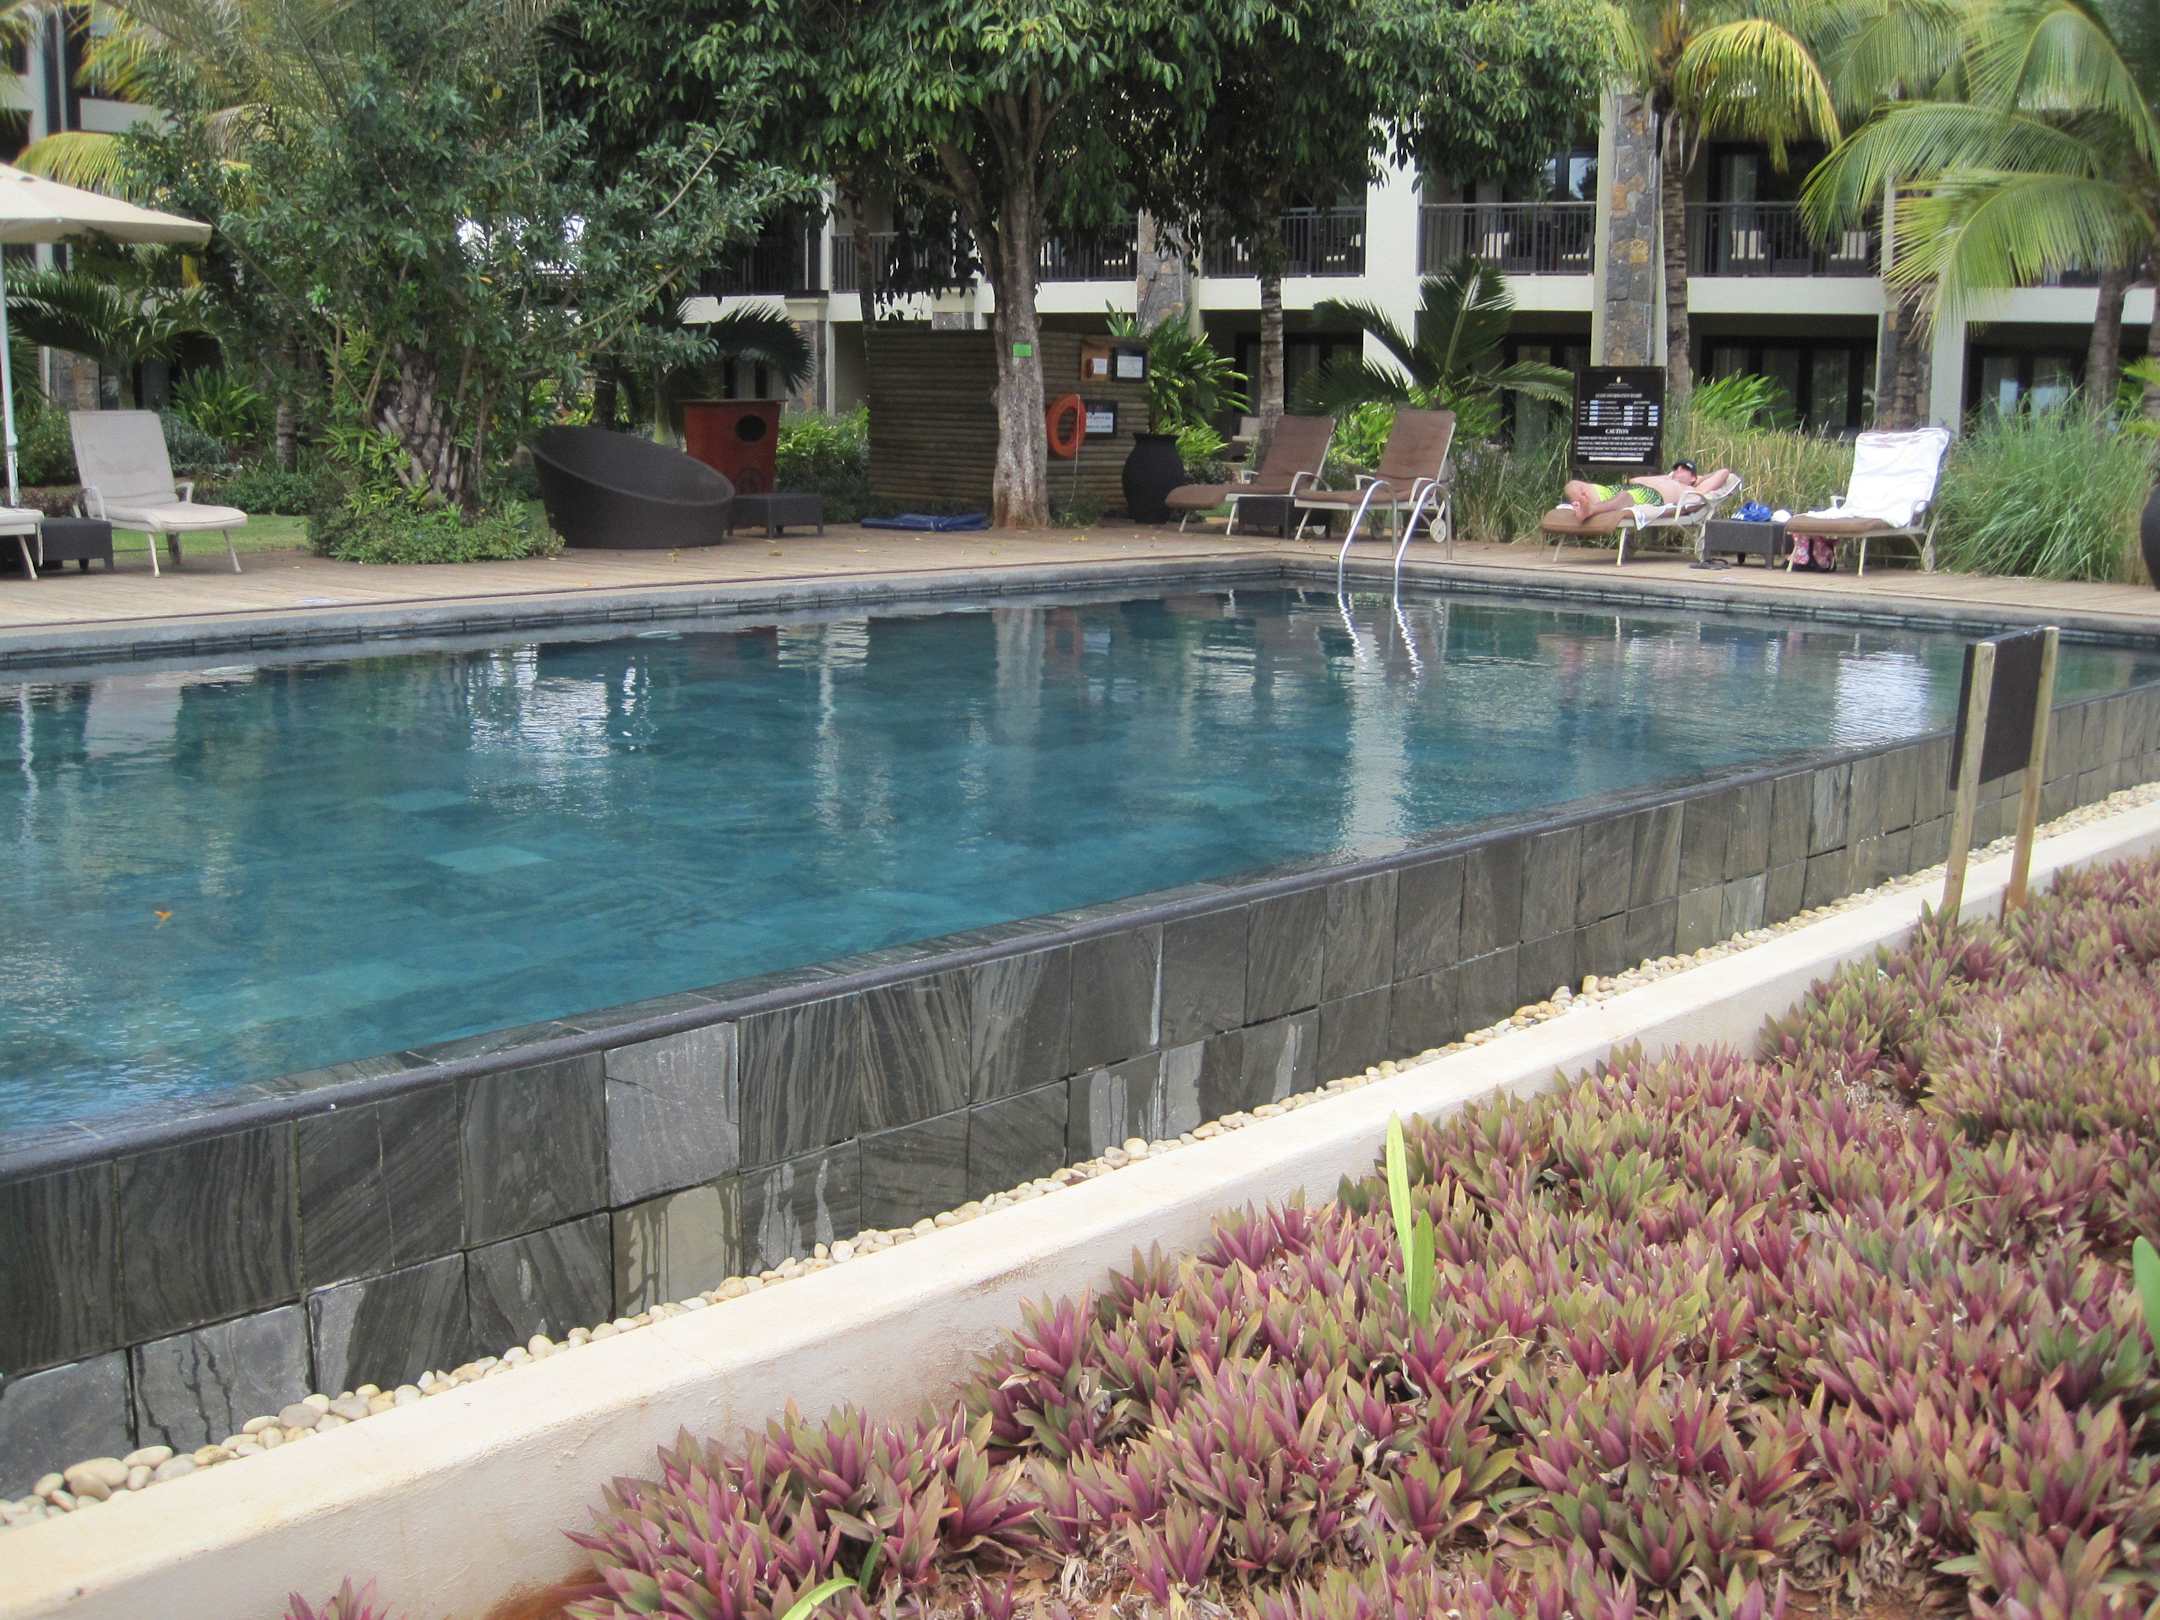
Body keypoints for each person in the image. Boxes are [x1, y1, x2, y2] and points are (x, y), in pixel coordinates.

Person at [1561, 458, 1735, 522]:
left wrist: (1699, 479)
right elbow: (1634, 481)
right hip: (1628, 488)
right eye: (1676, 468)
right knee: (1573, 485)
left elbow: (1724, 472)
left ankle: (1590, 509)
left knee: (1624, 497)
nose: (1678, 470)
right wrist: (1667, 477)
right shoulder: (1667, 479)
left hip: (1650, 496)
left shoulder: (1691, 489)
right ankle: (1583, 504)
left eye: (1684, 469)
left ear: (1693, 477)